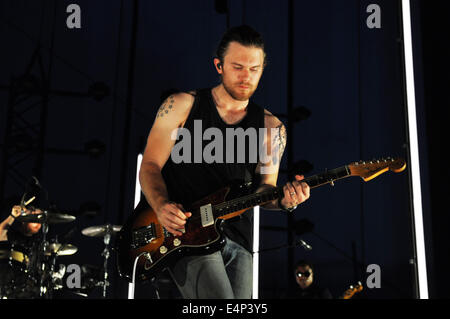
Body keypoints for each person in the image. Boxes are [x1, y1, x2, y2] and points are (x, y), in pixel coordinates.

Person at [139, 25, 311, 299]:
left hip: (238, 241)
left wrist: (285, 200)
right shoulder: (182, 106)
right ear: (218, 66)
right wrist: (160, 205)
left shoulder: (271, 128)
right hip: (187, 233)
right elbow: (149, 166)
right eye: (238, 67)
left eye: (254, 69)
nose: (246, 77)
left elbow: (265, 190)